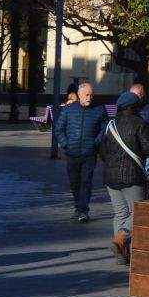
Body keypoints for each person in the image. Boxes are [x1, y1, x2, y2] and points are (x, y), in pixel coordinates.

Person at [100, 90, 149, 261]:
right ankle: (122, 238)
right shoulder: (140, 124)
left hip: (110, 177)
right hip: (133, 177)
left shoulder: (110, 125)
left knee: (120, 214)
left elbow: (102, 152)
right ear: (135, 106)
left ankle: (122, 255)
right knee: (139, 212)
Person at [55, 80, 108, 223]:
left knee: (86, 181)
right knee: (74, 182)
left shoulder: (99, 109)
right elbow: (59, 129)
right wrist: (66, 144)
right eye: (86, 95)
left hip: (89, 154)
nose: (89, 98)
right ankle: (78, 208)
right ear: (79, 95)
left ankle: (83, 211)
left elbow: (104, 130)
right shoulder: (68, 109)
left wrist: (95, 144)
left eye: (91, 95)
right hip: (72, 153)